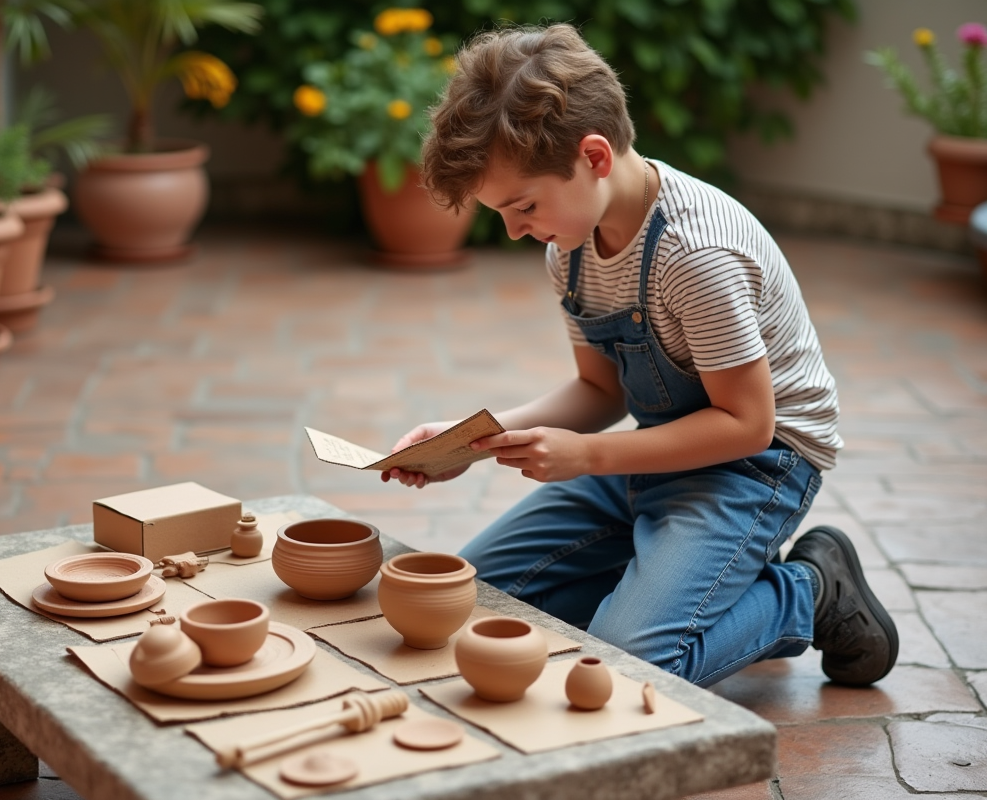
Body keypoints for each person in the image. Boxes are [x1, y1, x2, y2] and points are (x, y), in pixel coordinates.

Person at [381, 23, 898, 687]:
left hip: (757, 467)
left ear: (594, 157)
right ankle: (662, 583)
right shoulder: (569, 248)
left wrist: (587, 457)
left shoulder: (696, 254)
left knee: (628, 665)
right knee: (472, 602)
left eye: (523, 206)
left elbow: (748, 425)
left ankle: (810, 590)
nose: (513, 230)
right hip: (655, 453)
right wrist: (471, 440)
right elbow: (600, 392)